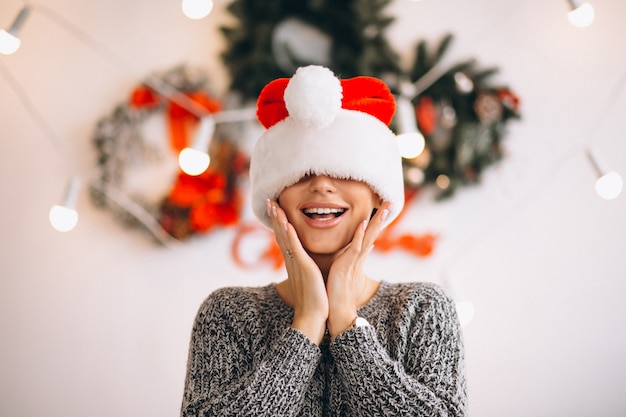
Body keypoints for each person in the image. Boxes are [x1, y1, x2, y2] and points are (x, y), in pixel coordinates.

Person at [180, 65, 467, 417]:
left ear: (379, 195)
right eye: (302, 171)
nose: (321, 185)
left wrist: (346, 324)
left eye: (343, 170)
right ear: (274, 197)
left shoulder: (423, 309)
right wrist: (307, 323)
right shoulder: (228, 313)